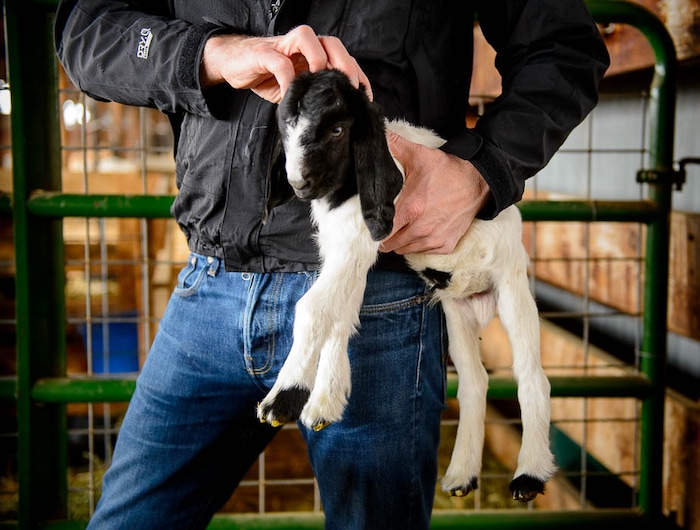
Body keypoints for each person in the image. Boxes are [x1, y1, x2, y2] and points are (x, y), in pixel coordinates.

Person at [54, 1, 609, 528]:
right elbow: (87, 28)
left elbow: (563, 45)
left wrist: (484, 169)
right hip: (210, 281)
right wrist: (211, 53)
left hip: (386, 285)